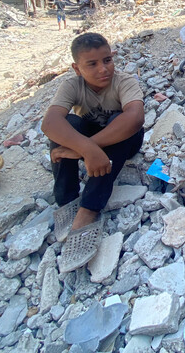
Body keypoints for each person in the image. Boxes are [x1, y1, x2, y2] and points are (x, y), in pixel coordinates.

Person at [41, 32, 145, 271]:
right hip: (93, 140)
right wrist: (87, 148)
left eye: (107, 60)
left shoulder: (124, 81)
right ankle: (67, 199)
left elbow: (135, 118)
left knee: (120, 122)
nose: (103, 69)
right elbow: (50, 123)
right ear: (77, 68)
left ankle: (89, 207)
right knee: (68, 124)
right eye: (92, 64)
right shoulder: (72, 85)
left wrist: (85, 149)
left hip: (125, 142)